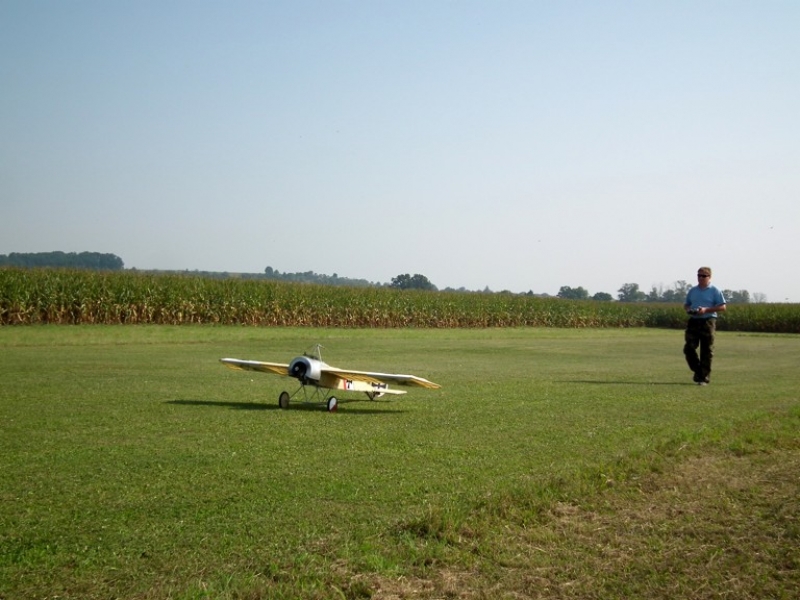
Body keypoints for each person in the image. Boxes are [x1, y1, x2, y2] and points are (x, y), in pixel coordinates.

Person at [683, 266, 727, 385]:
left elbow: (722, 307)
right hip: (694, 320)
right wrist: (689, 310)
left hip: (708, 320)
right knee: (689, 348)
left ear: (709, 277)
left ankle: (703, 377)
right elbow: (686, 304)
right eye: (699, 275)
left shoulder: (714, 290)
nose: (700, 278)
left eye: (703, 276)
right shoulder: (693, 290)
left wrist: (706, 309)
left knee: (706, 350)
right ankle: (698, 370)